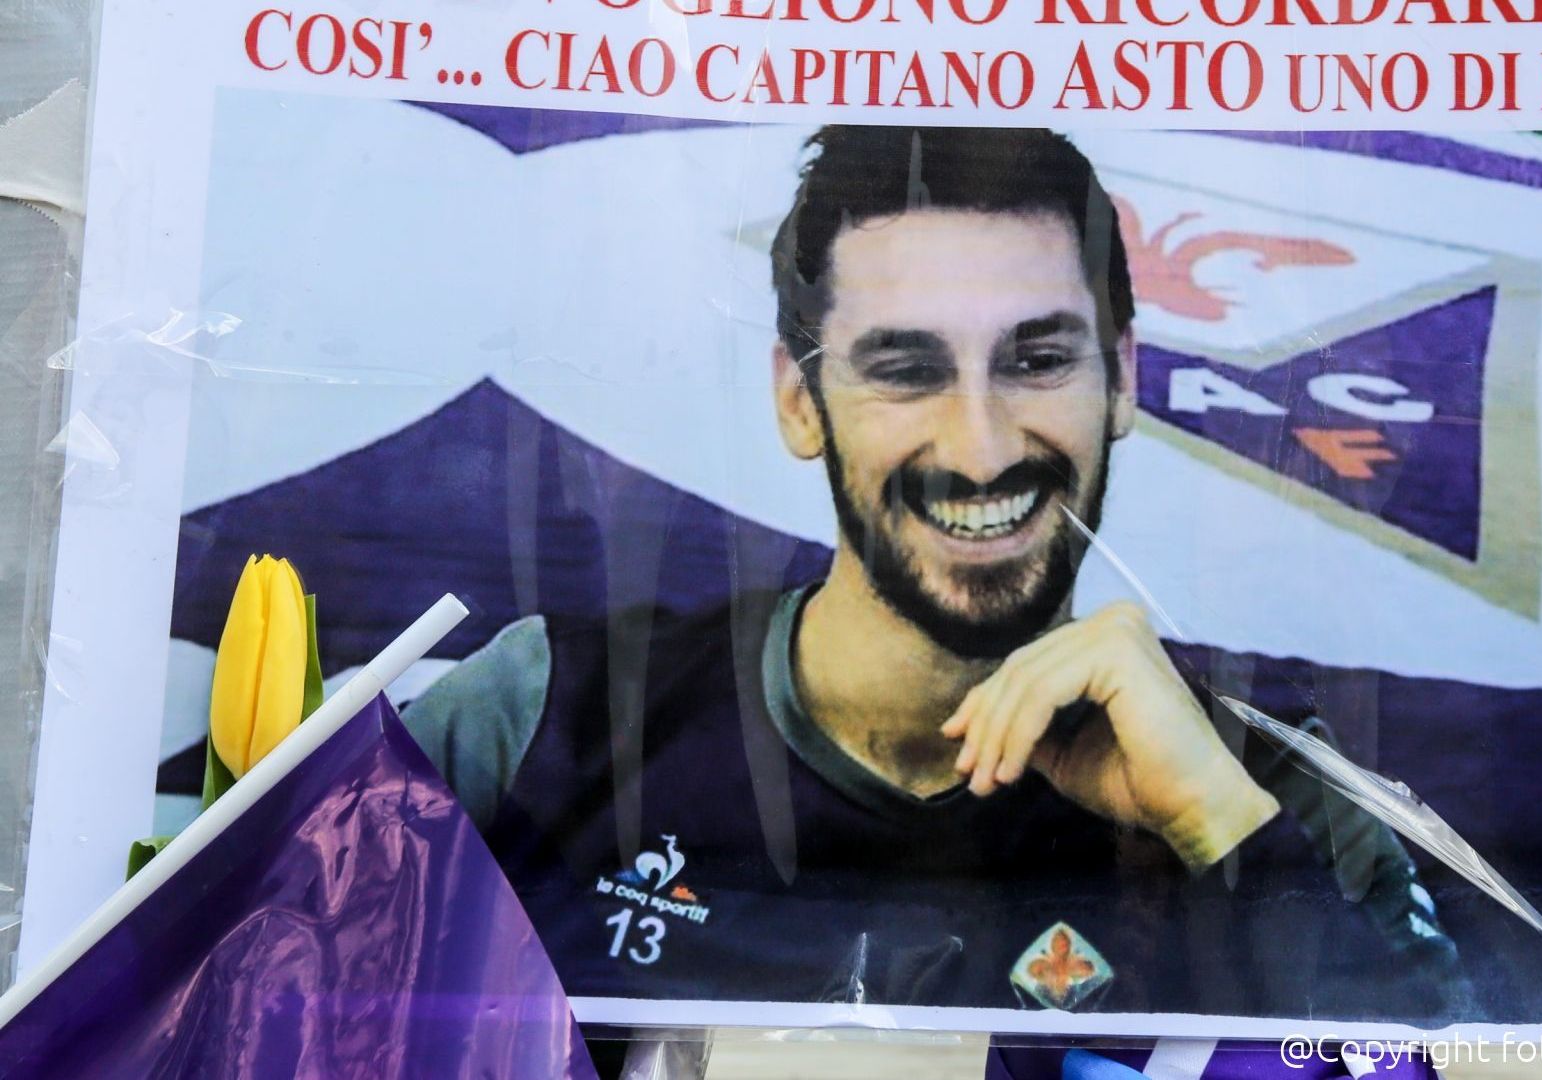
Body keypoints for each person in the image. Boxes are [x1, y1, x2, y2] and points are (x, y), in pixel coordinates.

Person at [403, 125, 1465, 1018]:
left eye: (1038, 360)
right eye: (907, 370)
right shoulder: (537, 719)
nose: (981, 448)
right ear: (799, 403)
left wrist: (1217, 829)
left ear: (1123, 380)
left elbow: (1429, 1064)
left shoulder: (1262, 783)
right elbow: (306, 996)